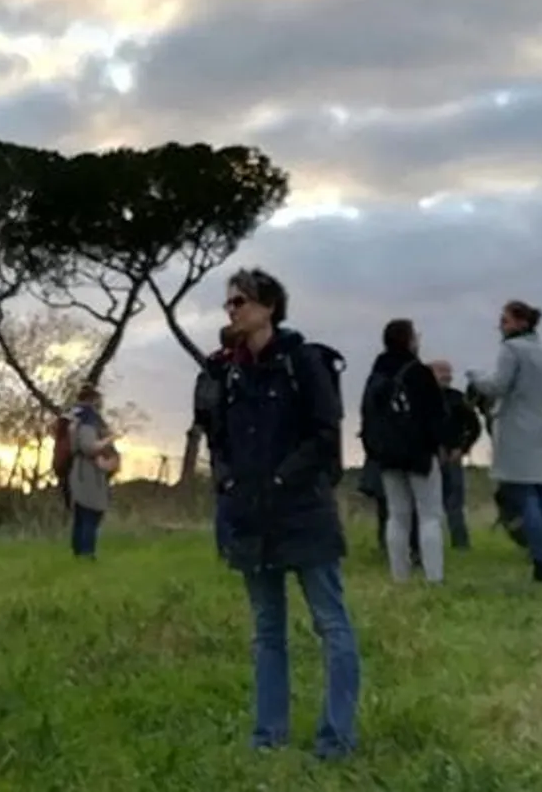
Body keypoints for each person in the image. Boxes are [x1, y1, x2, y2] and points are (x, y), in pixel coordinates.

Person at [211, 267, 360, 761]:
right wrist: (229, 481)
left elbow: (324, 432)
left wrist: (282, 478)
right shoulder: (228, 373)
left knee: (331, 626)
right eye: (229, 303)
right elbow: (218, 437)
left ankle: (335, 740)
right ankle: (268, 737)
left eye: (242, 302)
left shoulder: (302, 362)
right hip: (252, 520)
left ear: (269, 307)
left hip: (303, 513)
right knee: (267, 631)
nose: (233, 310)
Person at [468, 301, 542, 584]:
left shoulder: (510, 350)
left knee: (527, 498)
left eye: (505, 320)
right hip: (541, 430)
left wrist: (475, 376)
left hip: (515, 430)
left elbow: (497, 385)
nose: (501, 325)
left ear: (521, 322)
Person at [360, 319, 449, 585]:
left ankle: (399, 575)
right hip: (419, 453)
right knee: (429, 515)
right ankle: (434, 575)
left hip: (387, 455)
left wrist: (373, 449)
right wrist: (441, 443)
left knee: (397, 516)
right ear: (409, 340)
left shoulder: (376, 374)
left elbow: (367, 414)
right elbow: (436, 414)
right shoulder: (418, 372)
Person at [194, 324, 250, 557]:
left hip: (216, 441)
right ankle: (237, 548)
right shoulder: (239, 366)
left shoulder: (208, 370)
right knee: (238, 495)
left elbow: (200, 411)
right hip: (238, 439)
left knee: (224, 493)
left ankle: (226, 550)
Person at [429, 360, 480, 550]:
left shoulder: (457, 398)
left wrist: (462, 448)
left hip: (452, 458)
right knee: (428, 506)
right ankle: (432, 544)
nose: (447, 375)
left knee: (455, 504)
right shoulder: (422, 399)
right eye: (441, 371)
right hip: (429, 459)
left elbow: (474, 426)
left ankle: (461, 545)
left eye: (449, 371)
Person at [65, 383, 120, 559]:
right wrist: (110, 439)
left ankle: (78, 552)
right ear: (93, 401)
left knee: (82, 514)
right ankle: (87, 553)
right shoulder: (88, 421)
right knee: (91, 513)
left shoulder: (74, 418)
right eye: (99, 401)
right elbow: (88, 446)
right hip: (88, 472)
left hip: (80, 471)